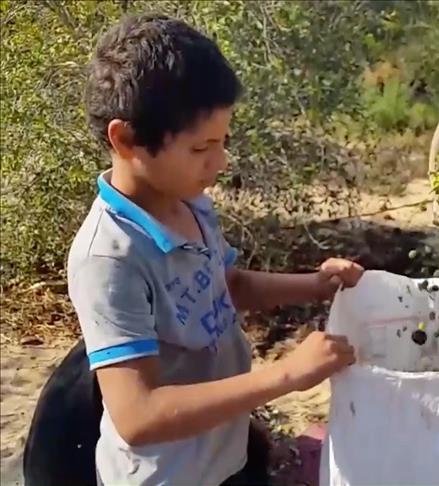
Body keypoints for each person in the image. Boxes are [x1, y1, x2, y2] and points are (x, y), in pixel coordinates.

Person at [65, 14, 363, 485]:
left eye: (223, 142)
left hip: (225, 452)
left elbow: (229, 284)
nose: (220, 162)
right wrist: (286, 375)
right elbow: (139, 415)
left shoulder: (190, 202)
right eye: (201, 148)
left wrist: (316, 285)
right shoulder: (108, 258)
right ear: (125, 139)